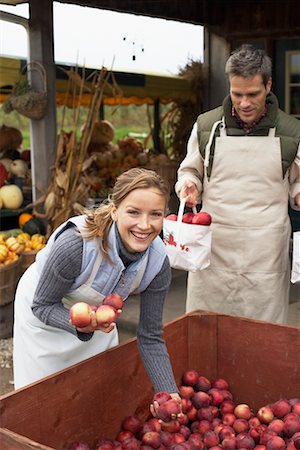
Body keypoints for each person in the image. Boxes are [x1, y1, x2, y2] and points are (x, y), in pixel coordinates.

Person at [13, 167, 180, 409]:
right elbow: (42, 305)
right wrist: (83, 323)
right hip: (44, 318)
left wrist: (168, 392)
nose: (144, 225)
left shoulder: (157, 263)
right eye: (133, 212)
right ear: (115, 211)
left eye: (155, 214)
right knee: (42, 403)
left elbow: (150, 336)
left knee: (94, 398)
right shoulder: (76, 245)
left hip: (94, 322)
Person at [175, 44, 300, 324]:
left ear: (268, 85)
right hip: (213, 247)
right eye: (237, 93)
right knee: (207, 324)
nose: (244, 103)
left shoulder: (291, 131)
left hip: (265, 250)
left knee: (262, 331)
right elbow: (189, 171)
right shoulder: (206, 126)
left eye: (253, 94)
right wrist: (190, 185)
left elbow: (297, 182)